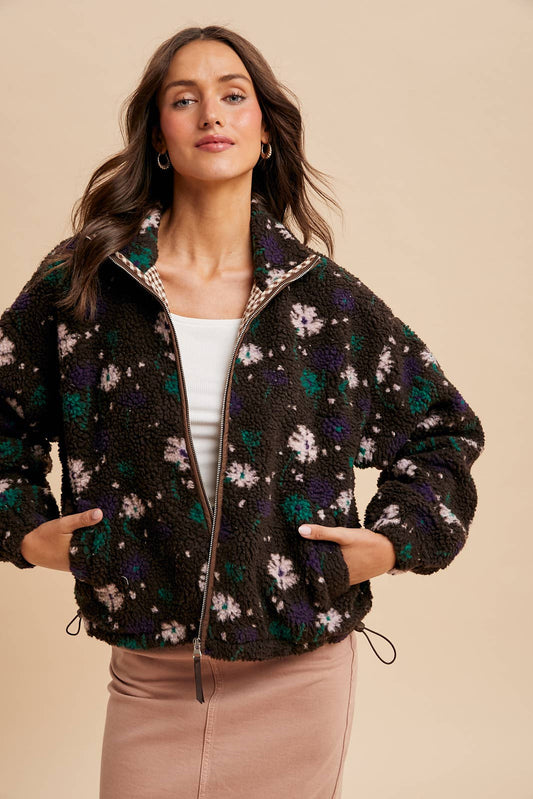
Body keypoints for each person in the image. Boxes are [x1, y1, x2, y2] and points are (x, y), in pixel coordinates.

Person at [0, 24, 485, 799]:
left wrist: (388, 545)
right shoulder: (86, 283)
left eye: (233, 95)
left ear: (264, 133)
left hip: (298, 667)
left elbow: (443, 431)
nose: (210, 114)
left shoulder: (323, 301)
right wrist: (24, 527)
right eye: (183, 99)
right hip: (150, 666)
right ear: (158, 138)